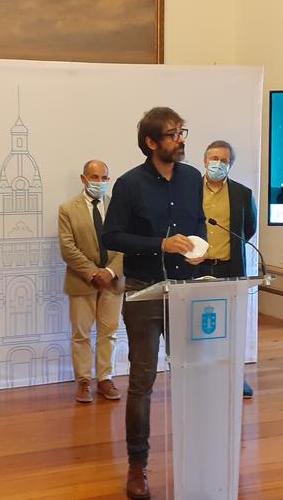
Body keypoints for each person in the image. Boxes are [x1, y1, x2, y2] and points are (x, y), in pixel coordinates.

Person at [102, 107, 206, 500]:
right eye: (172, 134)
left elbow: (197, 222)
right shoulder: (129, 185)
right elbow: (112, 237)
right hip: (145, 290)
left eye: (183, 131)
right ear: (151, 142)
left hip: (187, 290)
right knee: (142, 382)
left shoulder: (193, 177)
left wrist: (198, 247)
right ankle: (137, 465)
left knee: (192, 377)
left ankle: (196, 453)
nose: (181, 139)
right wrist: (160, 244)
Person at [58, 160, 125, 403]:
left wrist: (110, 271)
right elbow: (67, 247)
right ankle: (84, 382)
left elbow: (125, 244)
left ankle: (105, 379)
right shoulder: (67, 209)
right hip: (82, 280)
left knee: (109, 333)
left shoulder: (117, 207)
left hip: (113, 282)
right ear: (83, 179)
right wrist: (93, 272)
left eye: (104, 178)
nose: (99, 182)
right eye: (94, 177)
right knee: (81, 334)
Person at [198, 140, 258, 399]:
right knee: (199, 327)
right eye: (214, 158)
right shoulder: (188, 190)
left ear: (230, 165)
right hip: (196, 269)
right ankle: (201, 376)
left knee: (231, 327)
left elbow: (248, 229)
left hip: (229, 268)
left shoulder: (242, 194)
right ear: (204, 161)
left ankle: (235, 375)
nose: (218, 164)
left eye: (223, 160)